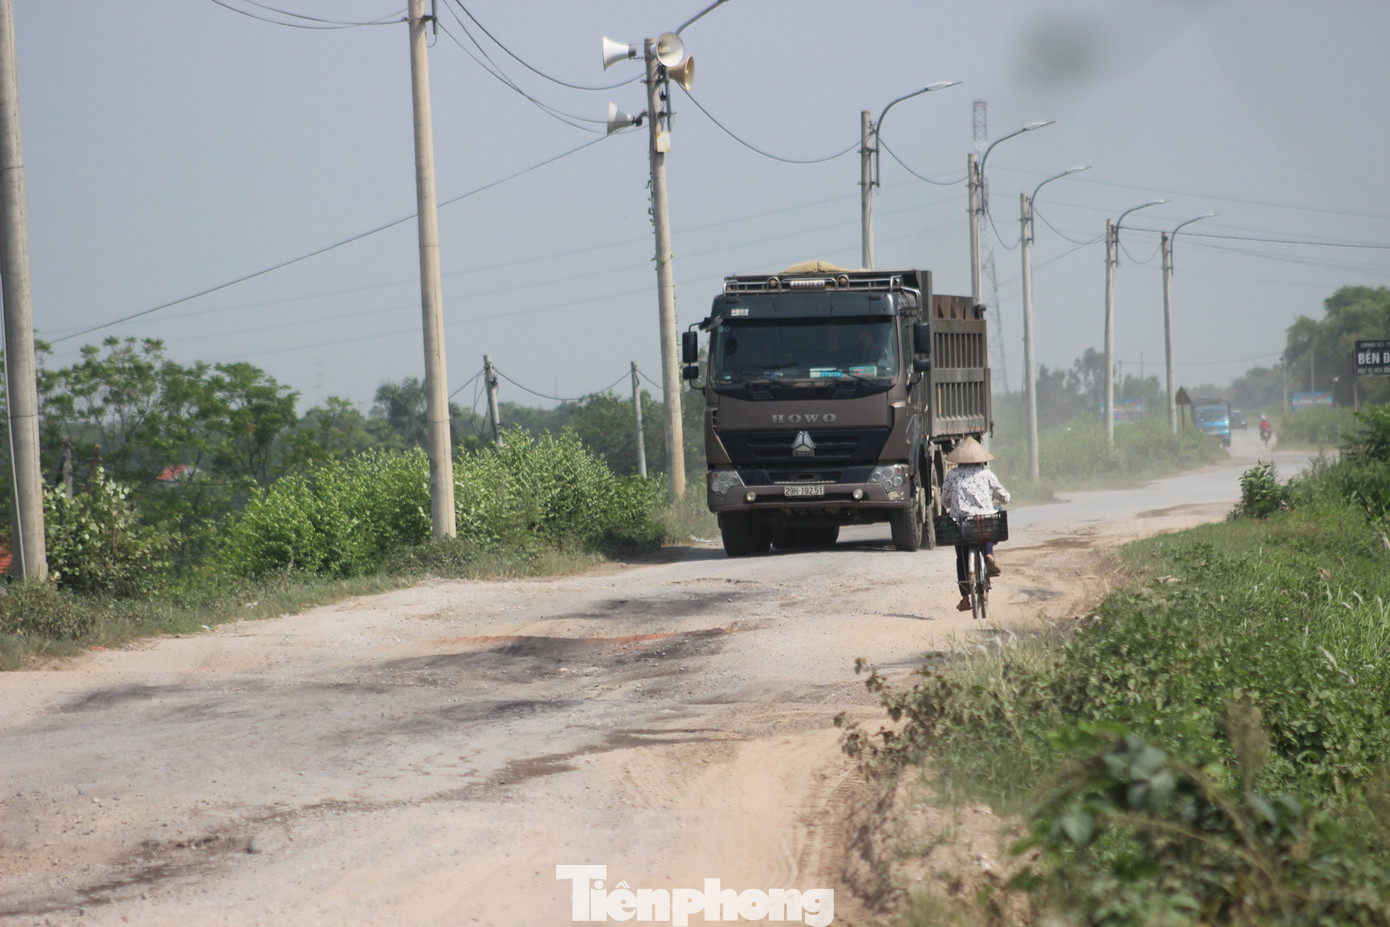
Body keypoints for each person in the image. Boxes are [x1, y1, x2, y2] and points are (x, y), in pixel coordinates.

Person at [941, 436, 1011, 612]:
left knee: (961, 556)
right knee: (987, 527)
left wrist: (951, 504)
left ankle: (965, 598)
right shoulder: (986, 474)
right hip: (983, 521)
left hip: (962, 524)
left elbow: (945, 500)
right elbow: (1003, 495)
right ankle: (988, 556)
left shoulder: (952, 474)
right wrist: (1003, 499)